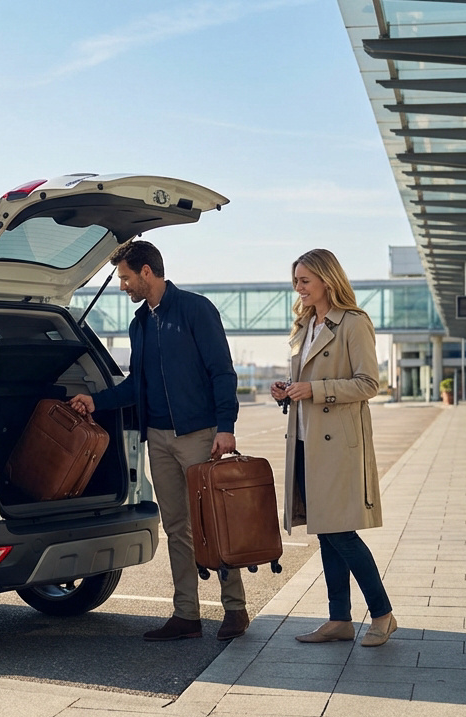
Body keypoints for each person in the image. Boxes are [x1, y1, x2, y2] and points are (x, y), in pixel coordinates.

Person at [68, 240, 248, 641]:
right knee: (177, 527)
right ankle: (186, 614)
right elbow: (137, 385)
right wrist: (96, 402)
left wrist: (225, 426)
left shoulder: (196, 310)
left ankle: (235, 608)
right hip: (159, 439)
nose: (123, 286)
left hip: (199, 436)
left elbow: (222, 371)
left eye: (126, 278)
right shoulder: (140, 324)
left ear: (146, 272)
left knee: (212, 523)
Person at [269, 248, 396, 647]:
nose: (298, 288)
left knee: (340, 533)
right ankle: (339, 618)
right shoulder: (304, 325)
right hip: (305, 442)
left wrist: (315, 389)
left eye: (305, 280)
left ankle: (383, 615)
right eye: (296, 281)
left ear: (327, 280)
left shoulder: (353, 323)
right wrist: (287, 391)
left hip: (338, 445)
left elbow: (369, 383)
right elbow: (305, 383)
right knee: (325, 533)